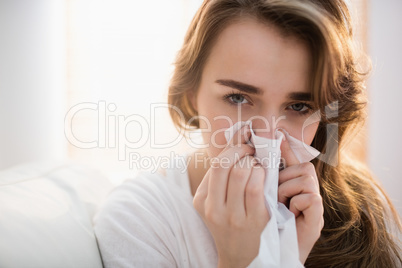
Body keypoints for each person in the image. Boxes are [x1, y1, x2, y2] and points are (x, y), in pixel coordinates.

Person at [94, 0, 402, 267]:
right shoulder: (139, 221)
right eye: (238, 98)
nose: (267, 135)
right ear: (191, 95)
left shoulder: (361, 210)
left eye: (298, 105)